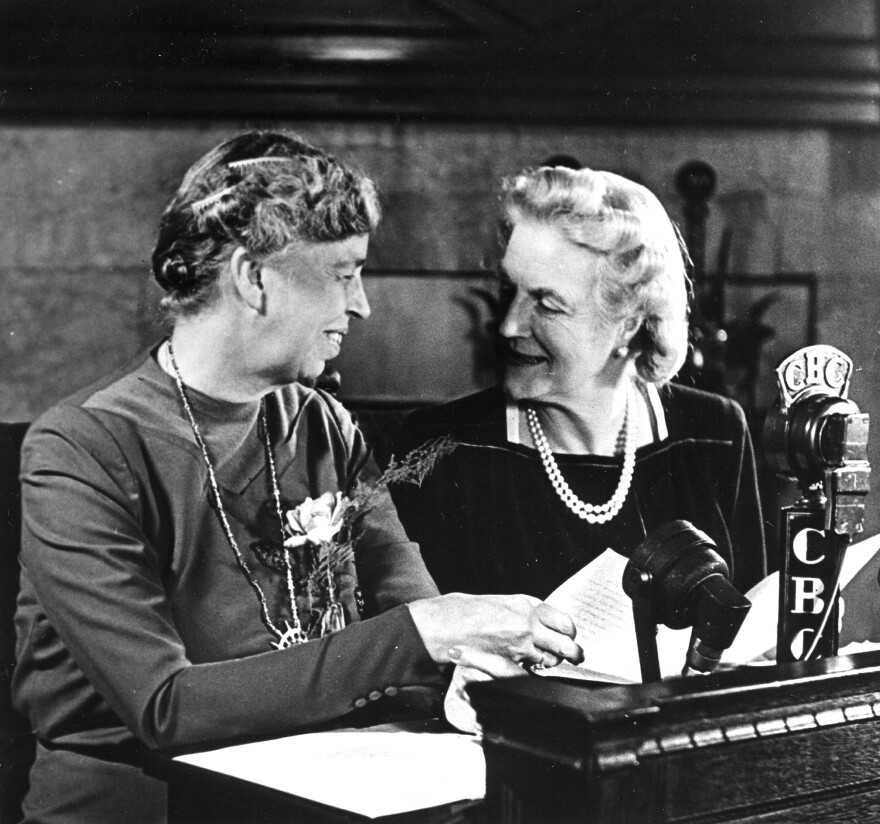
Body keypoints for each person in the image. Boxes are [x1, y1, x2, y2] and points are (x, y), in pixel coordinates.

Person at [12, 131, 583, 824]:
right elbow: (165, 706)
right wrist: (425, 635)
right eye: (344, 274)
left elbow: (408, 604)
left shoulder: (324, 424)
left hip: (323, 791)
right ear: (255, 278)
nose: (364, 305)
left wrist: (474, 660)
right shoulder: (84, 448)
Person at [392, 166, 767, 603]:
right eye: (509, 291)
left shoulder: (713, 435)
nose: (510, 325)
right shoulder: (442, 448)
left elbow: (752, 638)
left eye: (547, 306)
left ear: (628, 324)